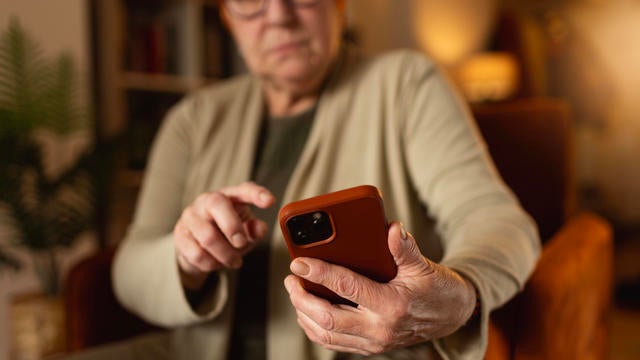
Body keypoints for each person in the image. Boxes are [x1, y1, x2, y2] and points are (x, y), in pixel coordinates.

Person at [71, 0, 541, 359]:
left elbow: (496, 219)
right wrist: (185, 257)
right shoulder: (191, 120)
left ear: (340, 5)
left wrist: (461, 294)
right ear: (227, 19)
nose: (278, 16)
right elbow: (129, 268)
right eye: (250, 0)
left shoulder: (406, 85)